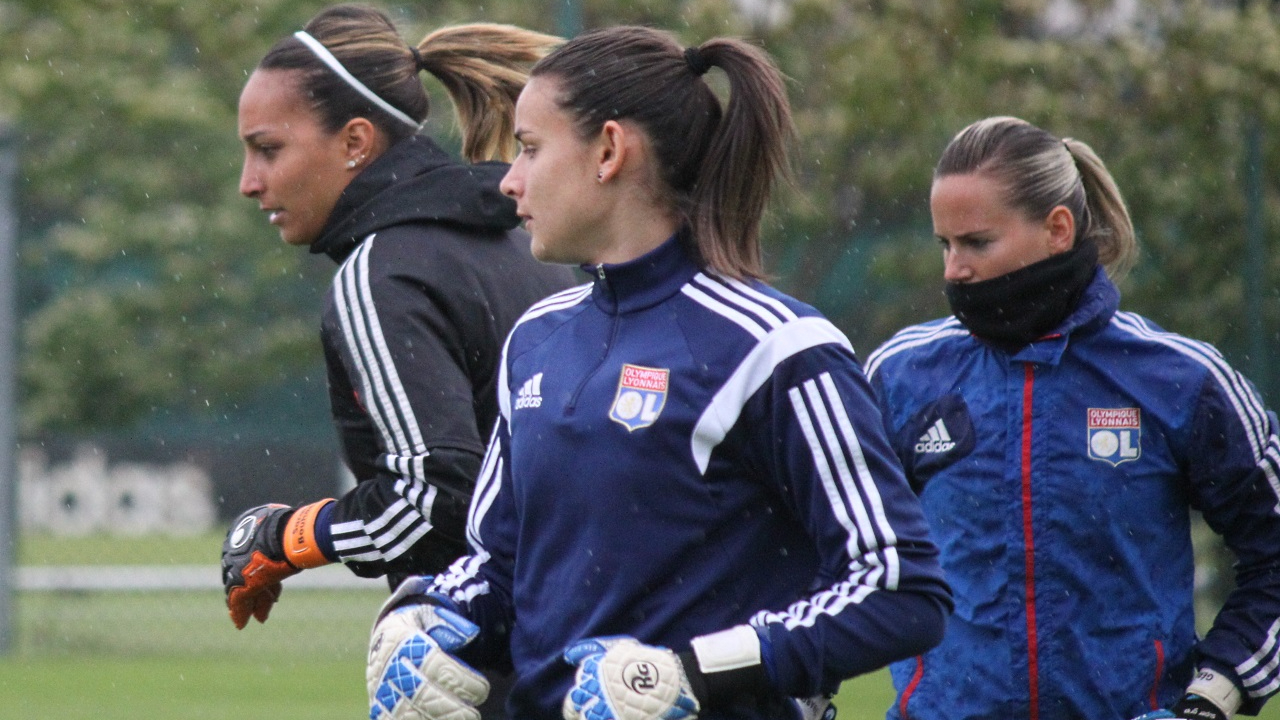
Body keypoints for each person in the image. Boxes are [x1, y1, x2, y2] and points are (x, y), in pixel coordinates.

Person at [361, 25, 953, 720]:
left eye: (529, 147)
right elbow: (499, 566)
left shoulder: (777, 349)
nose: (510, 178)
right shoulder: (537, 340)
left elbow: (899, 591)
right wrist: (426, 616)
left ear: (609, 150)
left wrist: (691, 674)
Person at [865, 116, 1280, 720]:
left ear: (1058, 229)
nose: (953, 269)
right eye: (944, 245)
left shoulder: (1180, 379)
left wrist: (1216, 693)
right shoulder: (900, 376)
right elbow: (824, 552)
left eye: (976, 243)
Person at [221, 4, 574, 640]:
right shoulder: (525, 238)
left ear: (356, 141)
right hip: (596, 638)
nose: (250, 182)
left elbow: (434, 503)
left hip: (499, 654)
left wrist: (285, 537)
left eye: (268, 150)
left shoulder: (380, 273)